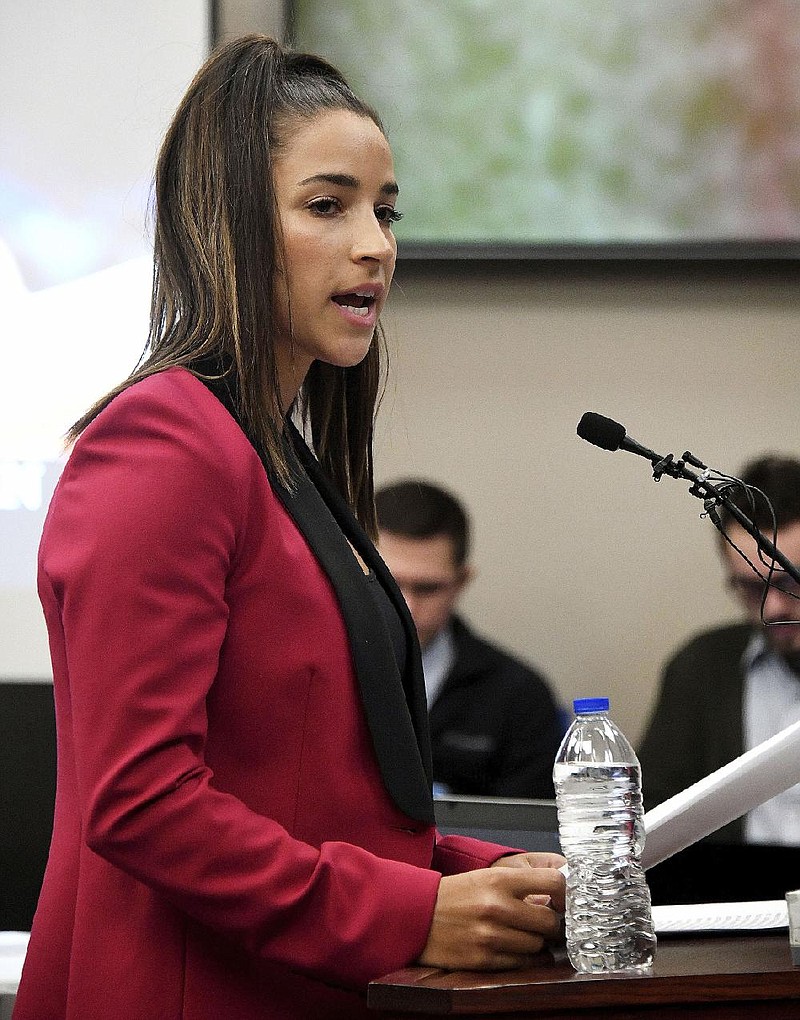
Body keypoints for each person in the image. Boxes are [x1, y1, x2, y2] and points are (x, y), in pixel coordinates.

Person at [13, 35, 565, 1020]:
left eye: (385, 210)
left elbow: (316, 804)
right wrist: (410, 915)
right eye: (327, 205)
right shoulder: (163, 443)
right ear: (226, 224)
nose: (375, 244)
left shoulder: (272, 455)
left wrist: (490, 878)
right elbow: (142, 804)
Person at [638, 454, 800, 846]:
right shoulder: (700, 668)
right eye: (750, 587)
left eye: (789, 581)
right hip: (732, 897)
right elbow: (652, 819)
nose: (774, 608)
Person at [375, 479, 564, 799]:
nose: (406, 607)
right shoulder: (310, 674)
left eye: (427, 588)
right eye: (388, 584)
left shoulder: (519, 697)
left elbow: (529, 837)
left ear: (461, 581)